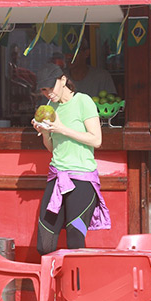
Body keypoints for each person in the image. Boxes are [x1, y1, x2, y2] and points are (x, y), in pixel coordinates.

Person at [31, 72, 111, 254]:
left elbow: (96, 140)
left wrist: (62, 129)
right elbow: (52, 147)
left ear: (64, 80)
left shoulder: (83, 101)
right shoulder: (50, 106)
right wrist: (44, 132)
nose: (48, 93)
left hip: (81, 179)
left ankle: (78, 283)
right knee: (45, 244)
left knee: (75, 241)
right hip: (57, 177)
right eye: (44, 90)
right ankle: (52, 282)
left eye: (51, 87)